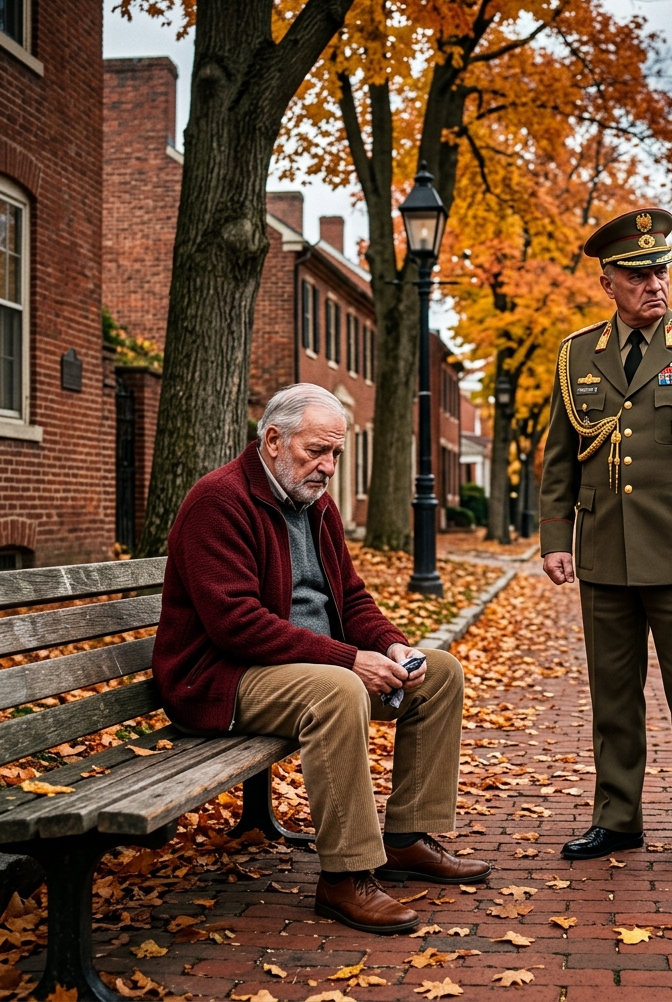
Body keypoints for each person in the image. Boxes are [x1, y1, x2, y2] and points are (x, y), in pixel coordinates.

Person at [152, 384, 489, 935]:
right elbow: (235, 624)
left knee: (441, 671)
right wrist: (347, 660)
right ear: (274, 439)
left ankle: (406, 839)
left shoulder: (315, 503)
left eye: (336, 453)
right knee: (338, 691)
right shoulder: (220, 501)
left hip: (299, 667)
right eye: (318, 451)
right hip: (218, 678)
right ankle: (345, 875)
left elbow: (351, 598)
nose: (329, 467)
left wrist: (391, 645)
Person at [539, 208, 672, 872]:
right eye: (637, 274)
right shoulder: (578, 353)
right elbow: (558, 458)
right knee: (612, 696)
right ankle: (617, 818)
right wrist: (556, 537)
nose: (654, 284)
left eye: (661, 269)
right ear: (607, 281)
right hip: (606, 551)